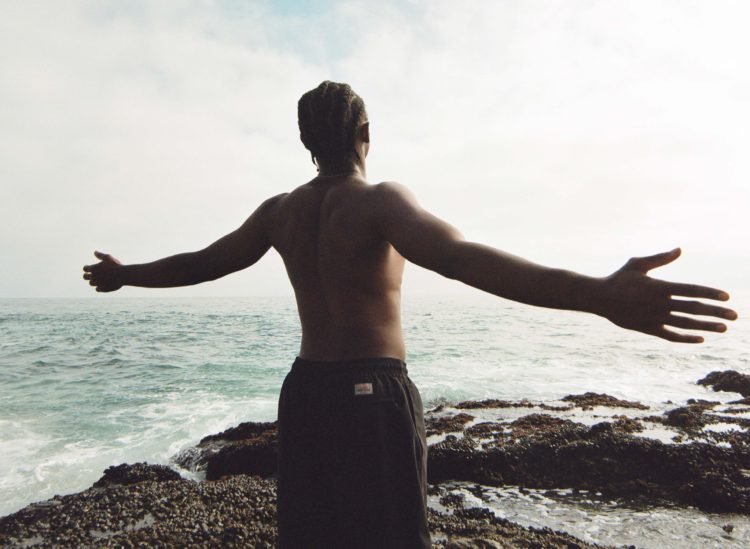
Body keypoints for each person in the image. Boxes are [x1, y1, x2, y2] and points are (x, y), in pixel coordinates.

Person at [83, 80, 738, 548]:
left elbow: (203, 262)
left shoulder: (279, 212)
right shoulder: (380, 203)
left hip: (304, 392)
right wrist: (596, 294)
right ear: (365, 134)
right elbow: (462, 258)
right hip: (373, 393)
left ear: (306, 141)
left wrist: (126, 274)